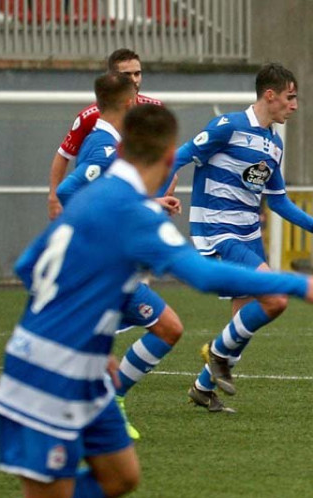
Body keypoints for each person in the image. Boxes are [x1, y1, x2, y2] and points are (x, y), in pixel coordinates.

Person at [0, 104, 313, 498]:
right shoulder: (131, 210)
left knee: (121, 478)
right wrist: (299, 283)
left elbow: (29, 267)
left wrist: (88, 343)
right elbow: (201, 275)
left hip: (79, 365)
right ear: (169, 159)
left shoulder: (96, 195)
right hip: (48, 374)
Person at [164, 63, 313, 410]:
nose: (294, 105)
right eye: (290, 98)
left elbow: (277, 199)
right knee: (276, 298)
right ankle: (216, 353)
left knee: (243, 321)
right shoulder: (228, 126)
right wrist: (159, 195)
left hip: (250, 236)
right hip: (219, 233)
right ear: (270, 95)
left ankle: (203, 389)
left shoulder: (274, 143)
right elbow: (177, 157)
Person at [56, 71, 182, 441]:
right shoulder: (102, 146)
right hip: (100, 272)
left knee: (167, 328)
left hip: (110, 271)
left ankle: (110, 400)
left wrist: (151, 201)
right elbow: (68, 190)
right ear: (129, 103)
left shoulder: (112, 144)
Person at [47, 48, 162, 220]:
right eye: (127, 75)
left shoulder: (154, 110)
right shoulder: (90, 117)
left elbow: (162, 157)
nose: (134, 80)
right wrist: (53, 198)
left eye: (137, 74)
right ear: (112, 77)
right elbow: (64, 154)